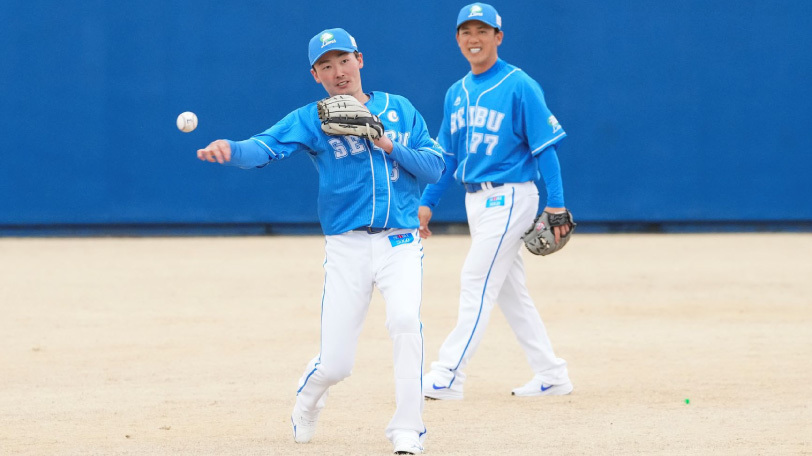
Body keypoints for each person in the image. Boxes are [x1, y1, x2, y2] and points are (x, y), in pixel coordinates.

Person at [196, 28, 444, 455]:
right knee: (337, 363)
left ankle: (407, 431)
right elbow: (265, 146)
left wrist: (387, 143)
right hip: (346, 247)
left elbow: (435, 168)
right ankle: (308, 400)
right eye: (326, 65)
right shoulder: (312, 117)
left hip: (400, 239)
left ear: (359, 60)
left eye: (343, 60)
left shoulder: (399, 109)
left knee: (406, 323)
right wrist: (232, 150)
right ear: (315, 74)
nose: (338, 71)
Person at [418, 3, 574, 400]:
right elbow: (448, 157)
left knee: (474, 279)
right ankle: (551, 375)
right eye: (467, 32)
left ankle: (448, 374)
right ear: (458, 39)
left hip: (511, 196)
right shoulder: (456, 93)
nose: (474, 39)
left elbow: (545, 149)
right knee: (509, 292)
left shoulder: (520, 85)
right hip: (477, 202)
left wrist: (556, 204)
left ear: (498, 37)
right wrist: (427, 203)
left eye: (483, 31)